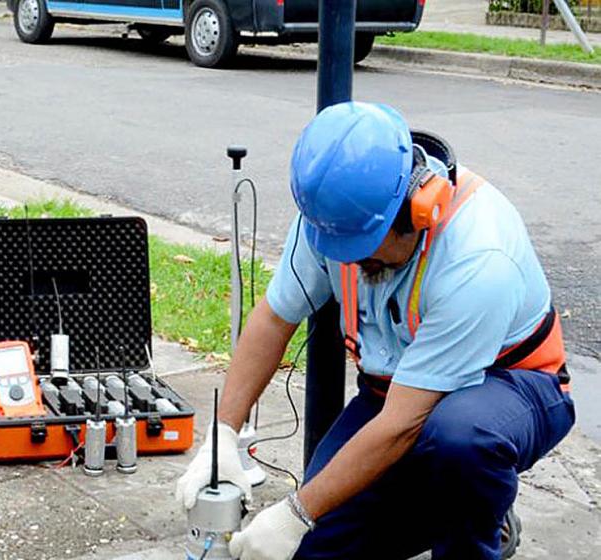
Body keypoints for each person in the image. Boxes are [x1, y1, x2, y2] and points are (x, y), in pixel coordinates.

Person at [175, 102, 575, 560]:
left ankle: (476, 527)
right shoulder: (335, 215)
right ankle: (454, 503)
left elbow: (402, 425)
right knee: (315, 548)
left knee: (460, 442)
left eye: (363, 251)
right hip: (395, 393)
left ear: (418, 210)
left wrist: (295, 513)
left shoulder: (478, 255)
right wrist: (223, 435)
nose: (349, 262)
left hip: (511, 387)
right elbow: (273, 318)